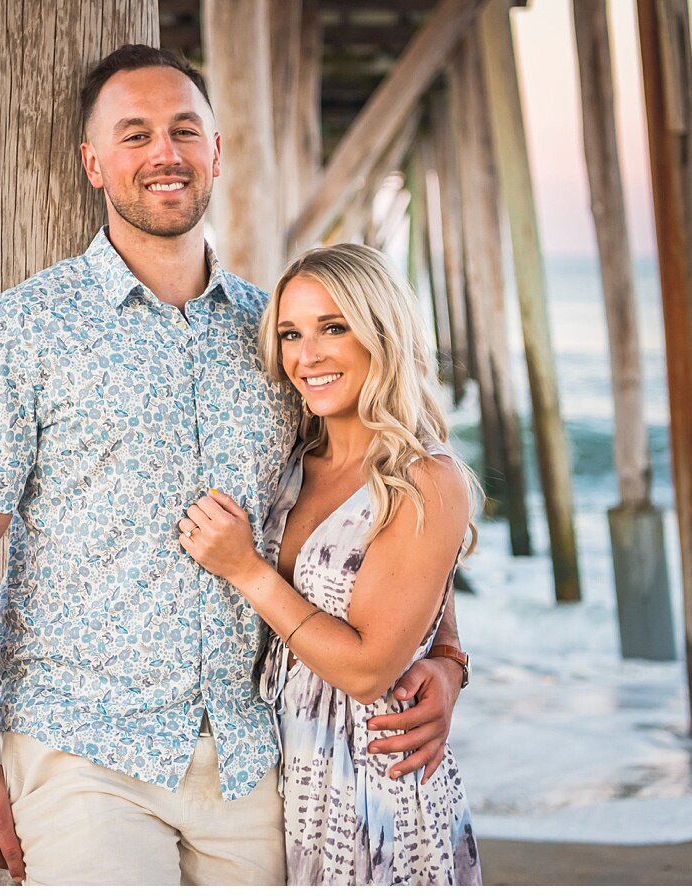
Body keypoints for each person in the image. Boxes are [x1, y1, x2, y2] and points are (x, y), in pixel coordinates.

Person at [0, 44, 471, 886]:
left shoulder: (274, 330)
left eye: (183, 130)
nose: (162, 153)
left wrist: (448, 658)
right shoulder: (21, 329)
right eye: (133, 135)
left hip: (253, 757)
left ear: (216, 153)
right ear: (93, 163)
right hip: (82, 746)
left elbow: (373, 491)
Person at [178, 243, 483, 885]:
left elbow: (369, 668)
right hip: (287, 769)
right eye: (291, 333)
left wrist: (246, 569)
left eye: (333, 328)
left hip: (374, 780)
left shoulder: (423, 478)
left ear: (382, 334)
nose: (306, 356)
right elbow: (428, 599)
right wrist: (450, 658)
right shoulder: (294, 461)